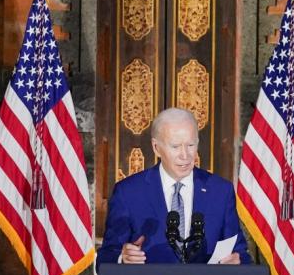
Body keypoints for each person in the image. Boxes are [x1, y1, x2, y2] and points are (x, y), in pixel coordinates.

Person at [96, 107, 250, 266]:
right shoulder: (128, 192)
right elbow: (105, 258)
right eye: (175, 147)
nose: (185, 155)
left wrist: (237, 261)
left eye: (191, 145)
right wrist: (123, 258)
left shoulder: (221, 191)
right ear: (156, 148)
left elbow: (240, 254)